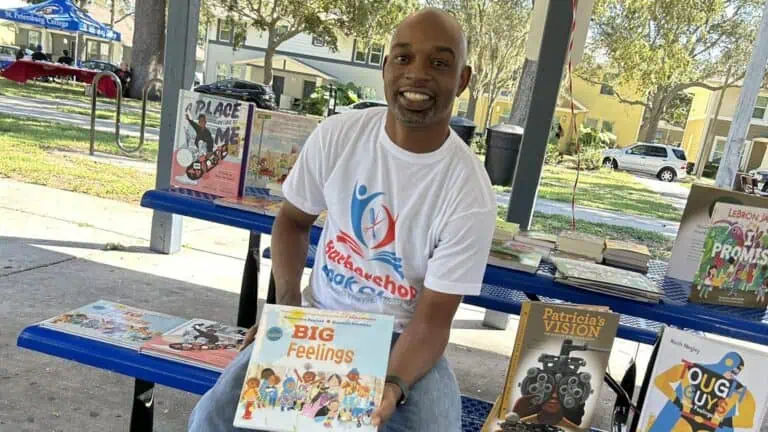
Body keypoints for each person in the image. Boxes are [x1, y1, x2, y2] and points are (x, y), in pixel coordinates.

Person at [188, 7, 496, 432]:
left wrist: (391, 385)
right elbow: (292, 222)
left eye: (439, 63)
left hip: (401, 339)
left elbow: (432, 320)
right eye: (403, 58)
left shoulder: (469, 192)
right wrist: (286, 308)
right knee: (213, 417)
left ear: (462, 79)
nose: (417, 74)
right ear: (386, 67)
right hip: (318, 321)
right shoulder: (339, 135)